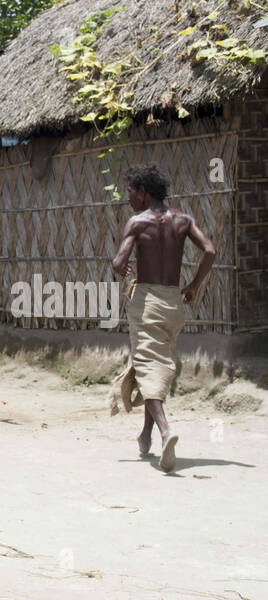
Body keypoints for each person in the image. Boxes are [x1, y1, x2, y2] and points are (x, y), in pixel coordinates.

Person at [110, 164, 216, 472]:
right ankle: (146, 434)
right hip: (174, 303)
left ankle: (166, 430)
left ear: (143, 193)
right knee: (156, 365)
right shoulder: (183, 220)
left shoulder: (137, 222)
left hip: (147, 302)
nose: (128, 197)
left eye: (130, 191)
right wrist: (195, 285)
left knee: (146, 365)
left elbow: (120, 261)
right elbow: (209, 250)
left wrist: (119, 266)